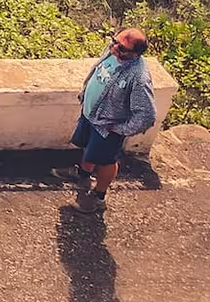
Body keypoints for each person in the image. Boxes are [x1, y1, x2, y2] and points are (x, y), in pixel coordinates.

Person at [57, 27, 158, 214]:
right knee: (88, 148)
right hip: (90, 116)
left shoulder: (138, 78)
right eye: (115, 41)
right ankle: (83, 174)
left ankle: (99, 196)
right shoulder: (113, 51)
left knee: (106, 161)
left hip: (108, 127)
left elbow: (147, 115)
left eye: (122, 47)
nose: (114, 47)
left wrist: (120, 129)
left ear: (135, 54)